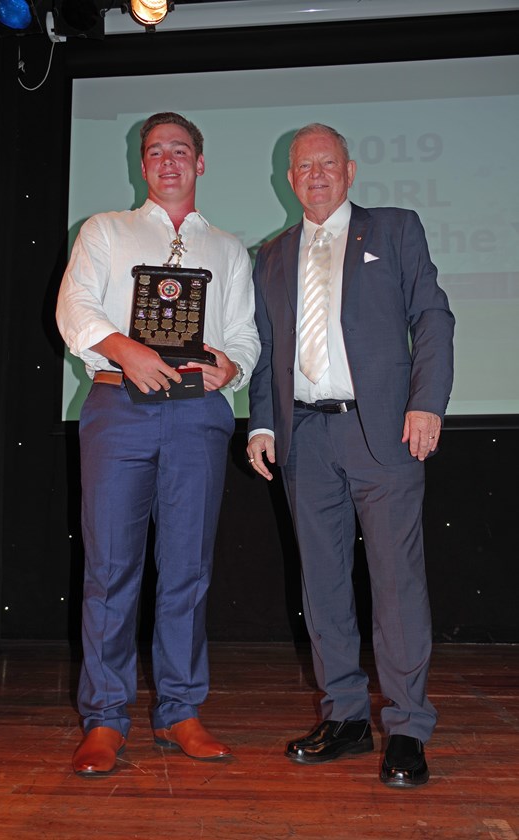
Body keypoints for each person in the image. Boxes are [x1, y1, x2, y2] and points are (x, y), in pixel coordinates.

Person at [246, 123, 454, 787]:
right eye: (302, 167)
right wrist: (261, 425)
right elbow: (265, 352)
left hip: (384, 432)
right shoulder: (270, 254)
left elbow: (431, 318)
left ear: (350, 169)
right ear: (288, 178)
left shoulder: (393, 229)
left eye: (326, 164)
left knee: (395, 583)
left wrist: (426, 402)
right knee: (324, 584)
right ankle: (344, 717)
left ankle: (407, 726)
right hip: (304, 438)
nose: (315, 175)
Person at [57, 112, 260, 776]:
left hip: (198, 413)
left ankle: (179, 711)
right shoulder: (105, 230)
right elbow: (74, 308)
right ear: (142, 166)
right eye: (154, 152)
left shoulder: (228, 249)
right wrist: (124, 348)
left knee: (186, 569)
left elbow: (244, 337)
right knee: (110, 568)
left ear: (200, 163)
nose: (167, 161)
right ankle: (106, 719)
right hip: (119, 404)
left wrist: (232, 368)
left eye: (179, 151)